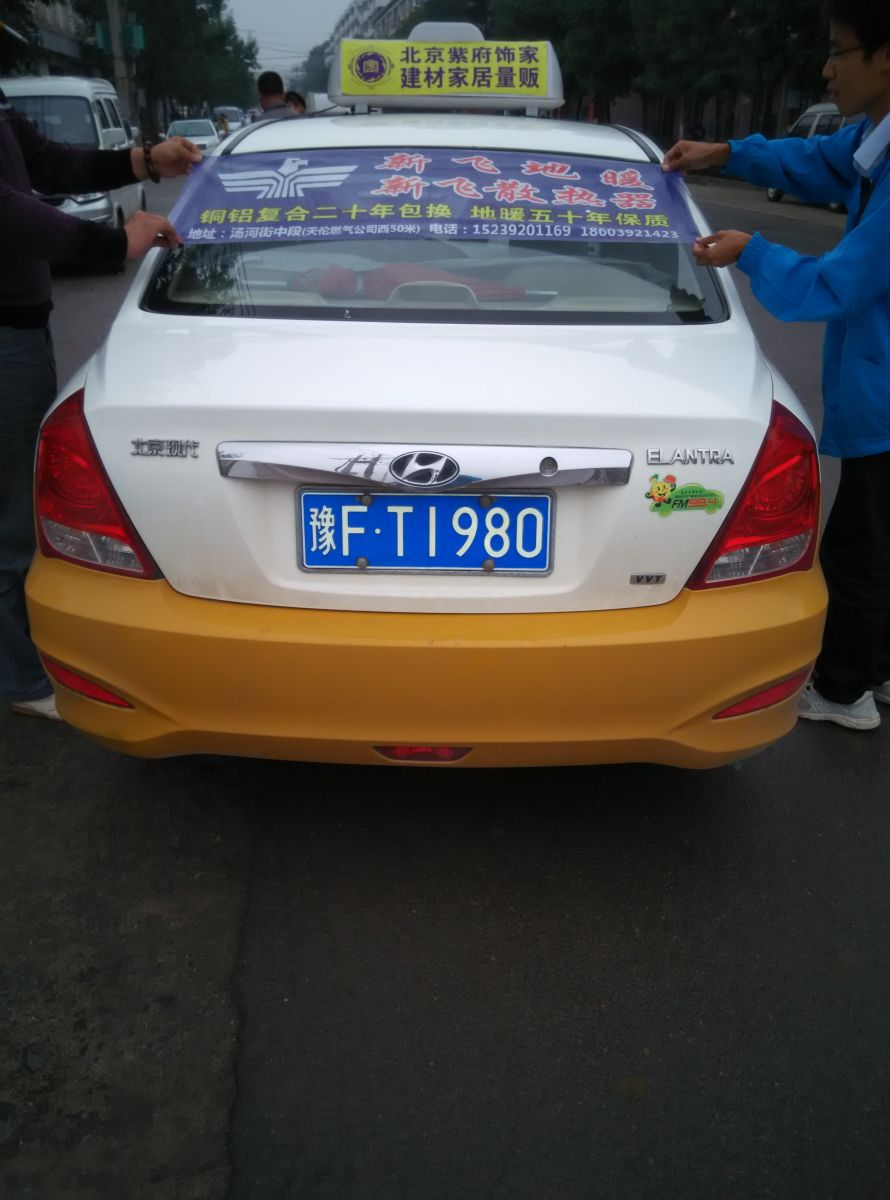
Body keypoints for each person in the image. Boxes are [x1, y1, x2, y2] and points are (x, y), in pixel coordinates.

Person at [663, 0, 890, 732]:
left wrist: (751, 252)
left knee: (861, 548)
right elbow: (814, 162)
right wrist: (725, 154)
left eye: (840, 51)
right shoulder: (873, 142)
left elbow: (837, 285)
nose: (827, 69)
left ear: (885, 58)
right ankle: (877, 667)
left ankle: (846, 690)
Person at [1, 63, 202, 721]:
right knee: (11, 517)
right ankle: (19, 678)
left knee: (15, 502)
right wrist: (109, 241)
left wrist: (143, 161)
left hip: (20, 321)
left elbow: (44, 162)